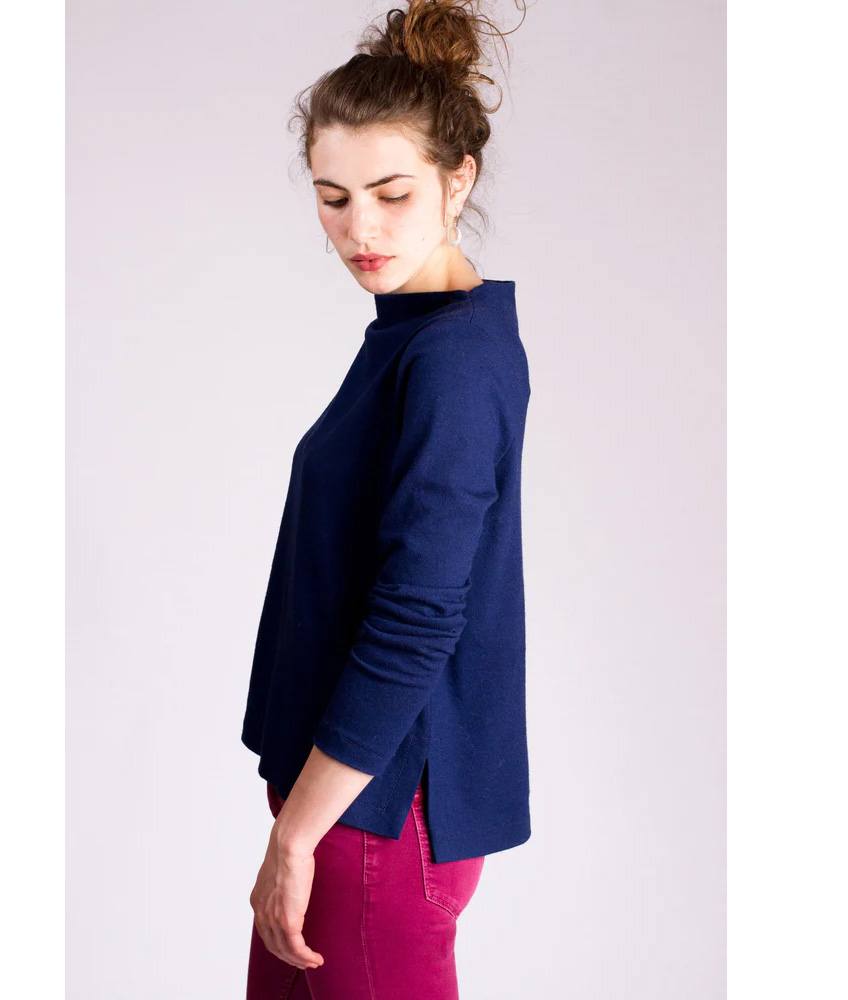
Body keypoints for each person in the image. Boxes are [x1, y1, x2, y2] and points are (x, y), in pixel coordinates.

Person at [241, 2, 530, 996]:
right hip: (345, 802)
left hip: (374, 817)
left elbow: (418, 616)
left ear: (459, 179)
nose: (359, 229)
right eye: (333, 197)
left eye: (392, 193)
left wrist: (299, 833)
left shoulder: (452, 360)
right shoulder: (416, 336)